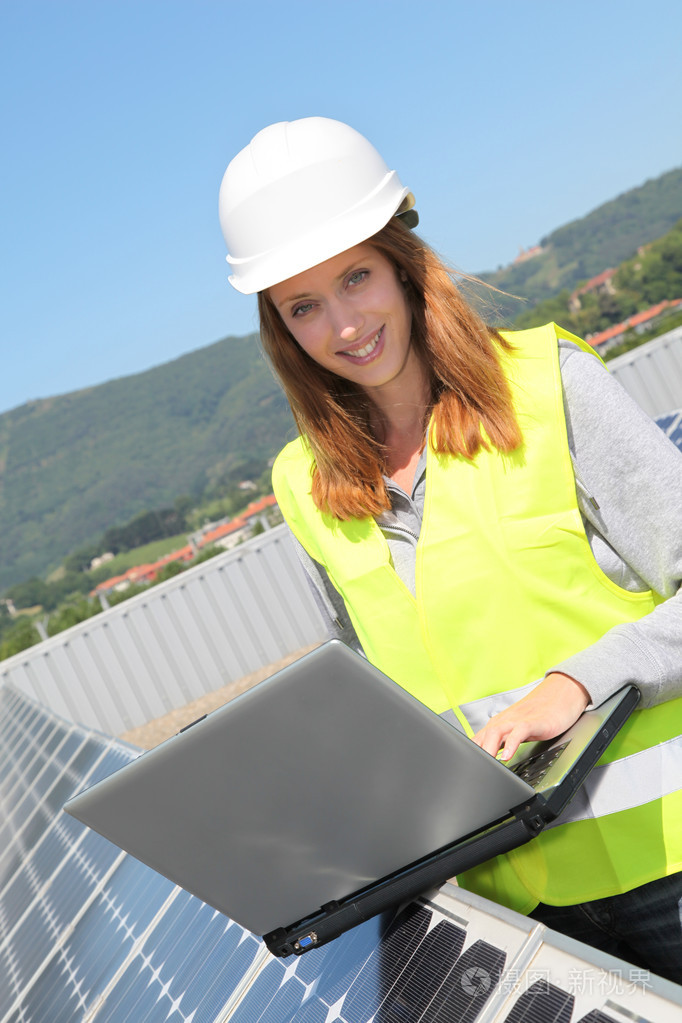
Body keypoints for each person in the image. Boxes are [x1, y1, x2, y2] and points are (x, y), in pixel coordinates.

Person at [218, 117, 682, 983]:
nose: (344, 325)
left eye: (356, 276)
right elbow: (376, 702)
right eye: (303, 305)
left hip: (666, 863)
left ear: (401, 260)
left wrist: (577, 681)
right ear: (278, 326)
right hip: (507, 910)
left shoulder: (550, 389)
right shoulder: (304, 485)